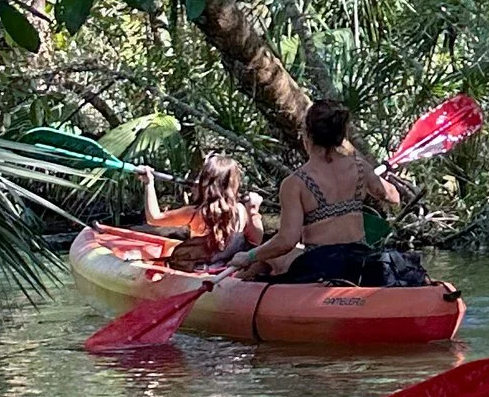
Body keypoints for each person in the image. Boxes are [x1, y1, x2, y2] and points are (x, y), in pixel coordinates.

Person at [229, 99, 394, 284]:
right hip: (360, 260)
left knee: (269, 256)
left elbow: (286, 241)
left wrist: (249, 256)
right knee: (278, 255)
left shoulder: (295, 183)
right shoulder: (361, 168)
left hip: (321, 265)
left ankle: (231, 287)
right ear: (342, 136)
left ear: (307, 135)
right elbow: (392, 197)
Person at [167, 148, 261, 269]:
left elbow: (153, 218)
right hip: (225, 268)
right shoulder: (242, 210)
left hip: (199, 271)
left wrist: (149, 183)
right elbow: (256, 241)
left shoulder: (196, 213)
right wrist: (254, 211)